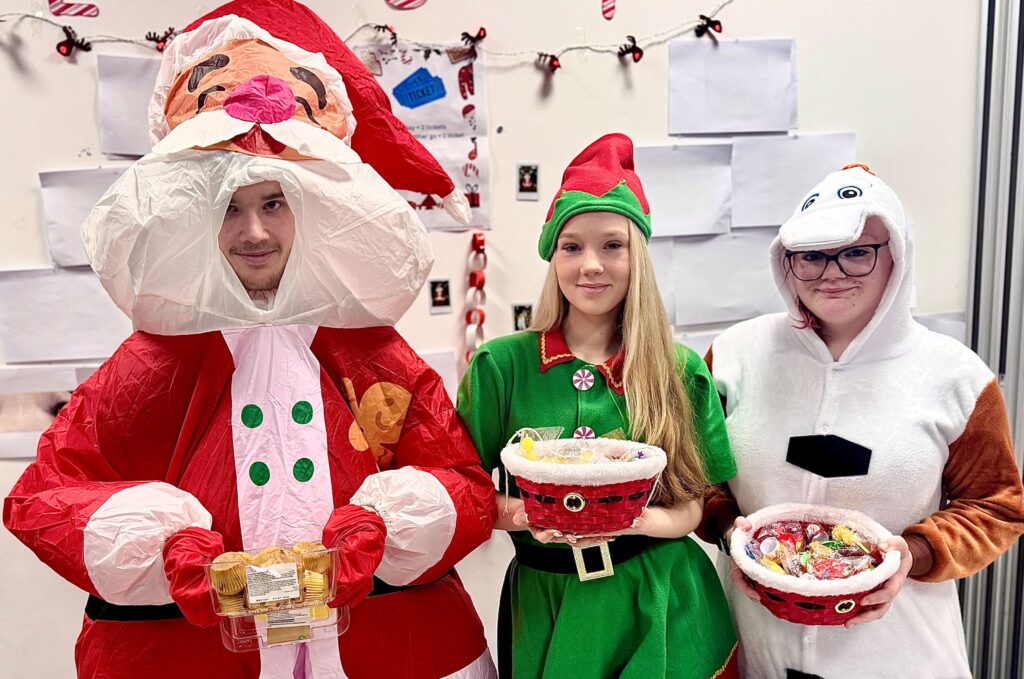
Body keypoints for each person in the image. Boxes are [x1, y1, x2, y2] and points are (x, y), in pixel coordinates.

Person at [3, 2, 497, 678]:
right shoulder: (156, 359)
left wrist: (386, 530)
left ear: (309, 210)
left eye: (273, 203)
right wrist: (162, 545)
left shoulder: (368, 348)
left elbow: (466, 486)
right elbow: (39, 498)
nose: (254, 232)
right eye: (230, 207)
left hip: (381, 647)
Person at [698, 164, 1024, 678]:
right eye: (812, 256)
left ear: (896, 253)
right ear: (787, 264)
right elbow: (697, 476)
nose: (832, 273)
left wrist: (913, 555)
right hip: (755, 638)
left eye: (856, 253)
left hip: (896, 649)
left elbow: (996, 506)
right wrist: (726, 532)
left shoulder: (957, 377)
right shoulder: (736, 355)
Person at [457, 133, 739, 678]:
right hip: (549, 603)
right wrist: (525, 515)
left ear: (639, 256)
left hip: (662, 601)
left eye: (613, 244)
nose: (591, 265)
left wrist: (635, 520)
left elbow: (697, 504)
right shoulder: (500, 367)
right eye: (572, 246)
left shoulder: (679, 371)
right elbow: (465, 494)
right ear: (552, 257)